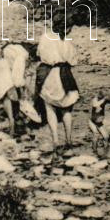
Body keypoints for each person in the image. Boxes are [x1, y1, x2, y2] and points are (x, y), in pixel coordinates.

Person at [35, 14, 79, 148]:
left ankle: (55, 140)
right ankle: (69, 140)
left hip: (48, 75)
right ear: (66, 28)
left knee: (50, 108)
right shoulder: (67, 41)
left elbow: (39, 54)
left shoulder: (45, 37)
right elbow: (73, 61)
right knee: (66, 109)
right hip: (64, 74)